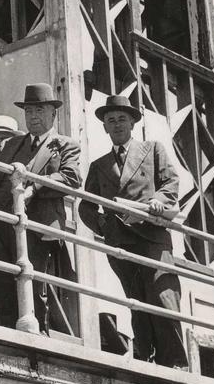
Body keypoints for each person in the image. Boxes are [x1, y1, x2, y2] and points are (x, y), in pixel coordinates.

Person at [77, 94, 187, 369]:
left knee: (163, 296)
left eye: (122, 120)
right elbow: (85, 208)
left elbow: (171, 182)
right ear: (104, 126)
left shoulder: (152, 150)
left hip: (152, 236)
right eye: (110, 121)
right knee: (136, 299)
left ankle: (173, 361)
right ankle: (146, 355)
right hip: (121, 242)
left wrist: (157, 202)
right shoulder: (99, 166)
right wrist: (103, 225)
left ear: (132, 123)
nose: (116, 125)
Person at [0, 83, 81, 332]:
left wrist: (36, 188)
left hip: (35, 226)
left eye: (39, 111)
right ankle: (11, 338)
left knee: (32, 287)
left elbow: (72, 178)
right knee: (3, 285)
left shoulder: (65, 145)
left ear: (53, 114)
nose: (33, 117)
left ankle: (34, 341)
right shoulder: (11, 145)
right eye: (29, 111)